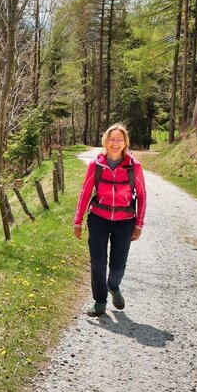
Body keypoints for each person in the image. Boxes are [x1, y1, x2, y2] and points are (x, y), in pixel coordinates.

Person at [73, 123, 147, 317]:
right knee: (98, 263)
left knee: (118, 266)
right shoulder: (95, 166)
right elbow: (85, 192)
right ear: (105, 141)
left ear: (125, 143)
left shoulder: (134, 167)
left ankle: (113, 286)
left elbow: (142, 195)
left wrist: (139, 224)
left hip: (125, 221)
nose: (115, 143)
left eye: (119, 140)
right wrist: (77, 221)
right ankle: (100, 301)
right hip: (98, 218)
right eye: (112, 139)